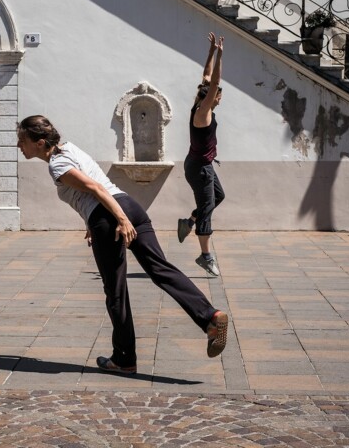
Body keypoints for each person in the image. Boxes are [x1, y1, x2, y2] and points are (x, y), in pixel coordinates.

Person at [17, 115, 228, 375]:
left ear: (39, 143)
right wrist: (94, 221)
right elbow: (95, 185)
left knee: (115, 291)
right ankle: (210, 317)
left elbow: (94, 188)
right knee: (160, 268)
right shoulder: (70, 149)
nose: (19, 145)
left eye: (22, 140)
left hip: (111, 216)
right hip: (128, 204)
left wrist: (120, 220)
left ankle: (124, 359)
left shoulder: (57, 166)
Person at [177, 32, 226, 279]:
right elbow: (214, 82)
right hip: (200, 168)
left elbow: (206, 78)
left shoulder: (199, 102)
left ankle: (188, 222)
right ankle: (205, 257)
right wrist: (220, 55)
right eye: (218, 96)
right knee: (207, 208)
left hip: (199, 164)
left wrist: (211, 51)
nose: (220, 98)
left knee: (218, 196)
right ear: (211, 97)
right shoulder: (203, 112)